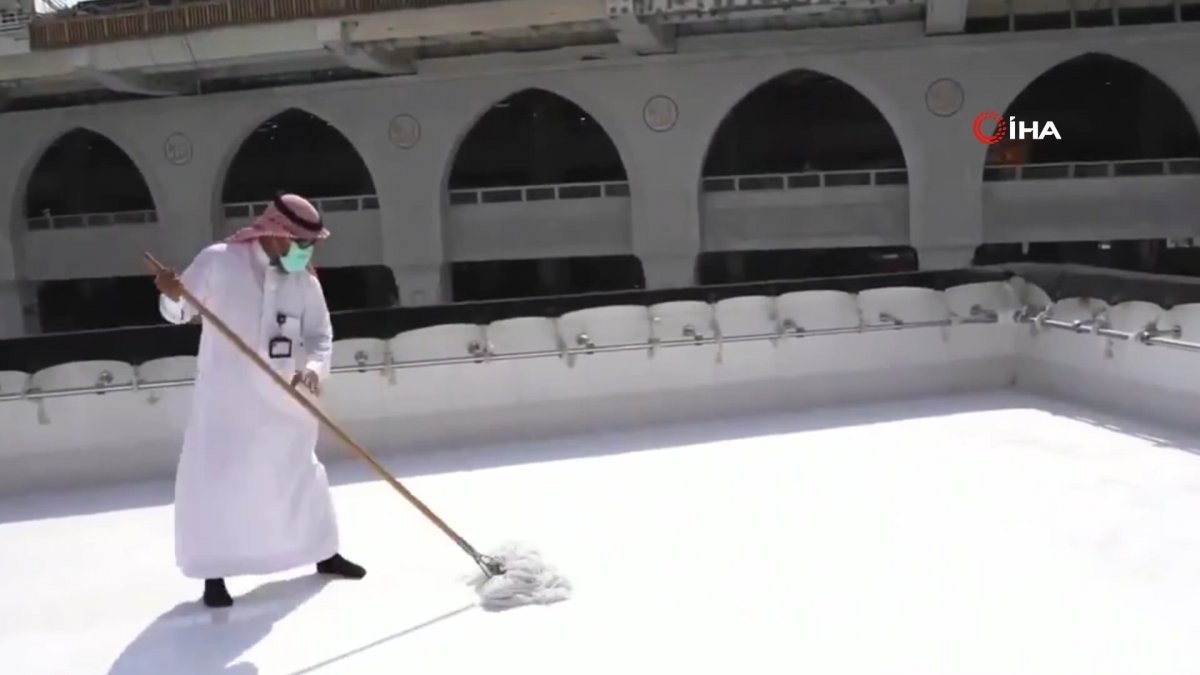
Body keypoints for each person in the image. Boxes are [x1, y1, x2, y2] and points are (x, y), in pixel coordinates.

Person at [153, 192, 365, 608]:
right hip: (226, 402)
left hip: (285, 399)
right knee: (218, 483)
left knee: (299, 475)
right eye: (303, 243)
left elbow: (321, 335)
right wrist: (172, 294)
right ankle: (214, 575)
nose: (307, 251)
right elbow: (178, 314)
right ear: (276, 234)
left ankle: (324, 553)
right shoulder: (218, 261)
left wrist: (314, 370)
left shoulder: (303, 278)